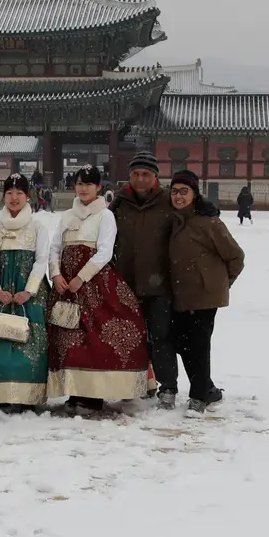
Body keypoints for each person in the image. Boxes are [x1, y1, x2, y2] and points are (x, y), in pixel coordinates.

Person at [110, 158, 217, 410]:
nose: (140, 179)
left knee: (162, 337)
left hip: (160, 284)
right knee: (129, 337)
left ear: (155, 177)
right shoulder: (119, 204)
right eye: (136, 173)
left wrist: (207, 208)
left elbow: (191, 212)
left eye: (146, 174)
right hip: (126, 283)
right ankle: (136, 383)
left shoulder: (167, 201)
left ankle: (168, 386)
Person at [49, 164, 149, 413]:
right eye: (80, 183)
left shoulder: (105, 216)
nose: (83, 189)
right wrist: (56, 274)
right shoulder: (66, 216)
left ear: (98, 188)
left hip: (95, 284)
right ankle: (73, 388)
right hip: (66, 286)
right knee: (67, 337)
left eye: (89, 184)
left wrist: (81, 278)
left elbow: (105, 251)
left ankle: (94, 393)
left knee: (96, 338)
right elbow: (54, 248)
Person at [167, 177, 245, 413]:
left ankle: (199, 395)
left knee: (198, 345)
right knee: (182, 343)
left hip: (204, 296)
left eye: (184, 191)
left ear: (194, 194)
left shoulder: (209, 222)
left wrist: (219, 284)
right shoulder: (174, 219)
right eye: (174, 192)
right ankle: (207, 388)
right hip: (180, 293)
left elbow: (236, 257)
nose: (178, 196)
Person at [0, 173, 50, 413]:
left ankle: (27, 395)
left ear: (28, 196)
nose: (14, 198)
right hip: (0, 291)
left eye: (19, 193)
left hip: (27, 290)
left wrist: (29, 291)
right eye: (10, 193)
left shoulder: (38, 226)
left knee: (31, 343)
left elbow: (41, 260)